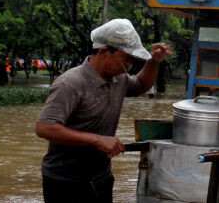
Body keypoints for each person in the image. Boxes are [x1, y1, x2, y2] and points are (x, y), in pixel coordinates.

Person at [36, 18, 172, 203]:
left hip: (100, 176)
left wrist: (154, 61)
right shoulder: (71, 83)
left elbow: (141, 85)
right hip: (65, 180)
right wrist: (97, 140)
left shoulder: (119, 78)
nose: (128, 66)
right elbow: (45, 128)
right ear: (103, 51)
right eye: (125, 59)